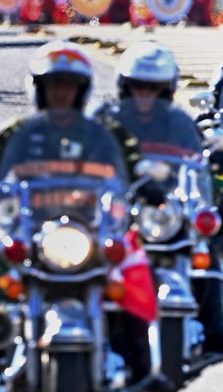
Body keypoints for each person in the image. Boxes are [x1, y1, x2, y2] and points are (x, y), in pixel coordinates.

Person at [0, 41, 145, 385]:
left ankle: (143, 363)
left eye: (68, 86)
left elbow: (132, 162)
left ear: (82, 91)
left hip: (91, 230)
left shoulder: (104, 134)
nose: (61, 93)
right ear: (40, 90)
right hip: (31, 228)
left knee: (132, 276)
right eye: (53, 85)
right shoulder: (19, 132)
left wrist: (147, 182)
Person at [94, 41, 223, 352]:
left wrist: (215, 154)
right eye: (138, 87)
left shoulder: (178, 121)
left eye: (154, 88)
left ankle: (214, 324)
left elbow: (197, 156)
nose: (145, 95)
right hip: (117, 207)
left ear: (167, 89)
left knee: (206, 243)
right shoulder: (105, 118)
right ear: (125, 86)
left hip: (162, 211)